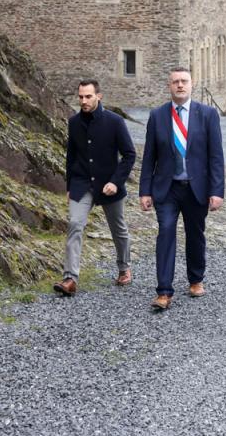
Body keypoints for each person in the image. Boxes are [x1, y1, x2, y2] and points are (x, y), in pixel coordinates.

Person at [139, 68, 225, 311]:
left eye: (184, 81)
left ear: (191, 84)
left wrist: (217, 191)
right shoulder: (157, 116)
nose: (180, 85)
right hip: (166, 188)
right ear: (169, 85)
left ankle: (195, 279)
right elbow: (149, 157)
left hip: (196, 188)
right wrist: (145, 191)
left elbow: (216, 156)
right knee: (166, 232)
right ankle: (164, 291)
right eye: (175, 82)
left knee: (195, 234)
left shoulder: (207, 114)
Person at [53, 80, 136, 296]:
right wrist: (70, 185)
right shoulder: (73, 123)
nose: (83, 101)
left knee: (118, 229)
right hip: (81, 183)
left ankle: (124, 267)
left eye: (88, 96)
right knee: (74, 224)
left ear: (98, 96)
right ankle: (70, 278)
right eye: (80, 97)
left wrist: (115, 182)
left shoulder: (115, 122)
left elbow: (129, 155)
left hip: (109, 184)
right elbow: (71, 156)